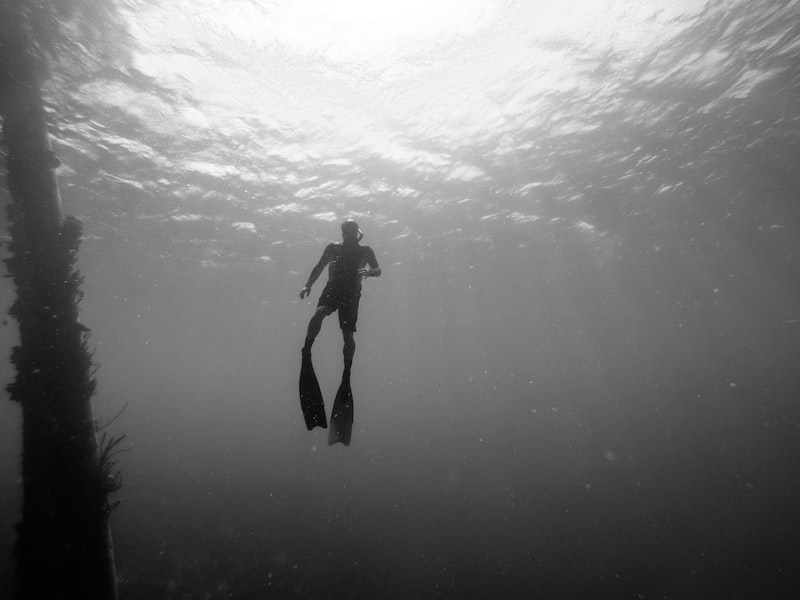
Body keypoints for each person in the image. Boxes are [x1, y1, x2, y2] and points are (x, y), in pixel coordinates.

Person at [299, 219, 381, 376]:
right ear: (342, 232)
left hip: (351, 294)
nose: (346, 234)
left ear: (356, 232)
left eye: (350, 231)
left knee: (348, 337)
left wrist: (370, 272)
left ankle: (347, 370)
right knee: (320, 312)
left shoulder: (365, 250)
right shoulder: (333, 248)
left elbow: (378, 269)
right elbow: (319, 266)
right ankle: (307, 348)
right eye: (344, 230)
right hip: (333, 289)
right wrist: (308, 285)